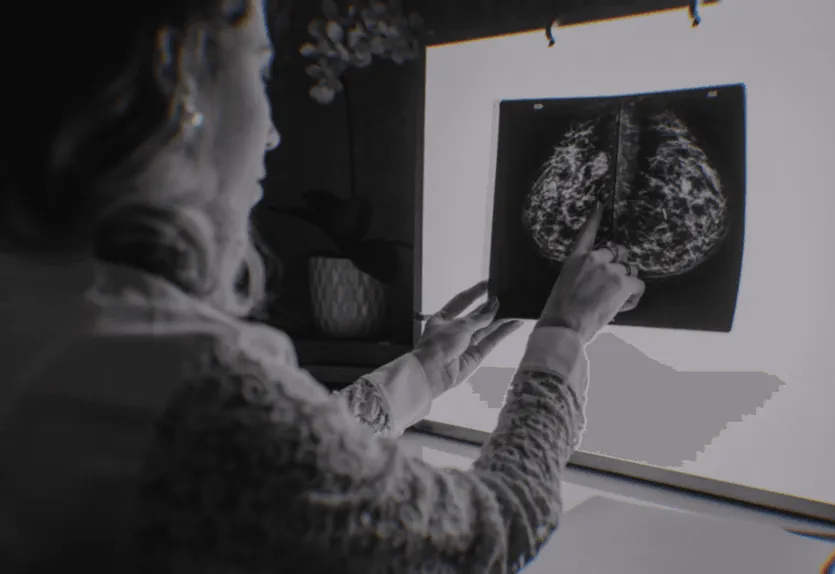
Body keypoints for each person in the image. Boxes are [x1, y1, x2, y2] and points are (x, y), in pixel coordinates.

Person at [0, 0, 645, 571]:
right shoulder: (193, 379)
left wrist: (422, 372)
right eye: (258, 70)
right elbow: (489, 533)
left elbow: (255, 472)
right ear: (182, 87)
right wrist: (561, 339)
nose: (274, 130)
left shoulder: (41, 305)